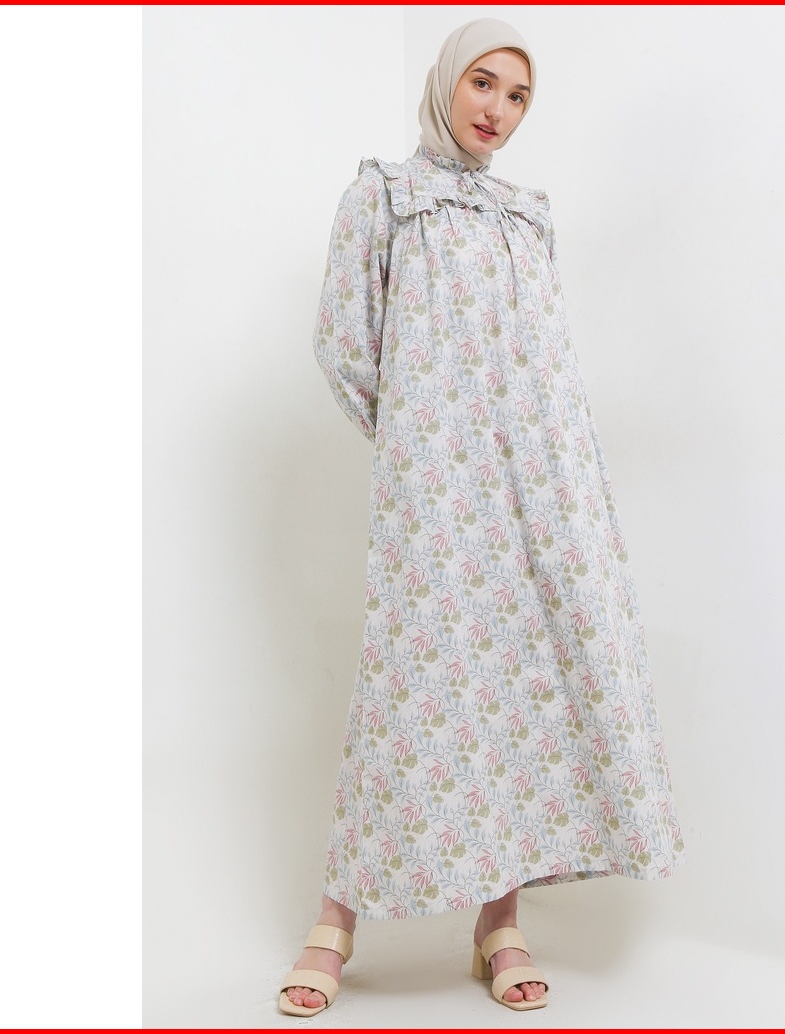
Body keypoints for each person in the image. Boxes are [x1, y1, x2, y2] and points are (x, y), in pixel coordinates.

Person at [280, 17, 685, 1017]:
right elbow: (343, 343)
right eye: (483, 82)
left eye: (517, 96)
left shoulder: (526, 216)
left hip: (544, 481)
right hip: (436, 489)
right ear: (446, 81)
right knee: (411, 682)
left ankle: (499, 923)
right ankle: (335, 918)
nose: (497, 109)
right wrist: (424, 440)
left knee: (520, 686)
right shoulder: (385, 196)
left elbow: (545, 358)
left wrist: (551, 465)